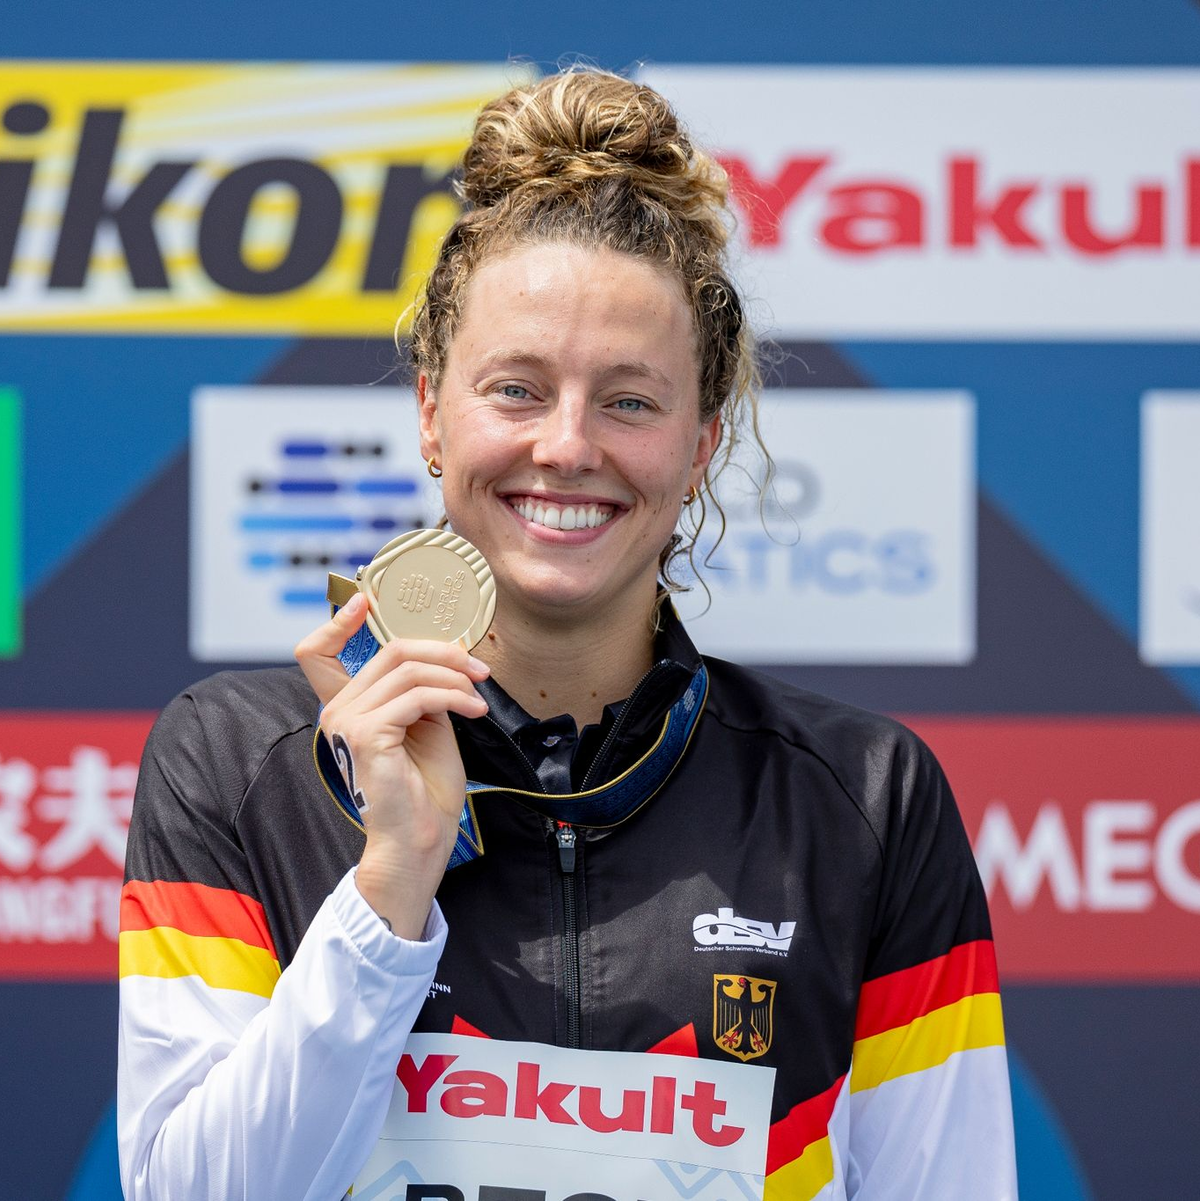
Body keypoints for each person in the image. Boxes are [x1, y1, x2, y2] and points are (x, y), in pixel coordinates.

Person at [118, 68, 1018, 1200]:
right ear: (432, 412)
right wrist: (391, 884)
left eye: (630, 401)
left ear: (700, 445)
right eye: (517, 389)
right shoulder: (238, 763)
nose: (566, 446)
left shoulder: (861, 798)